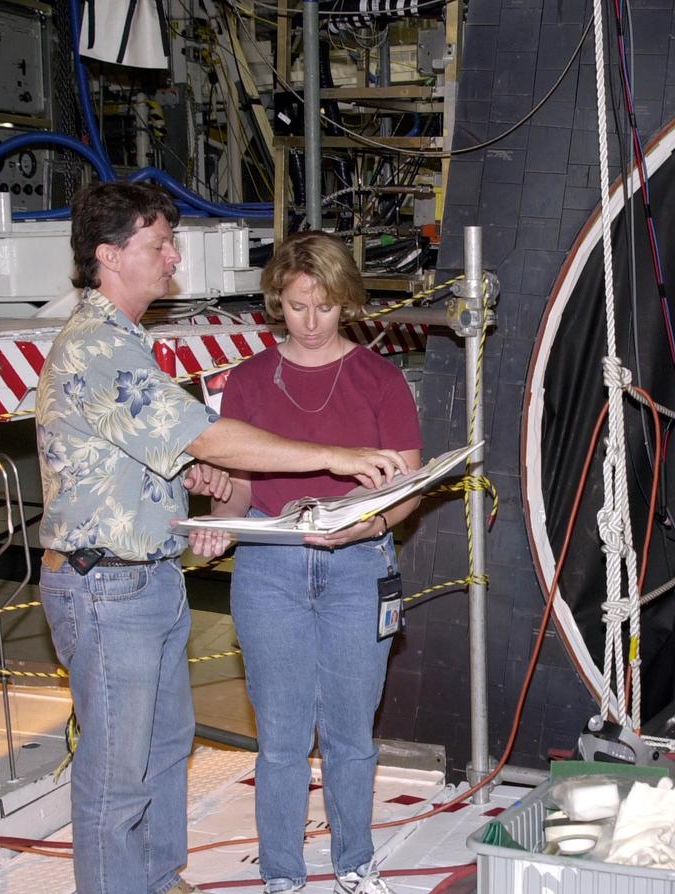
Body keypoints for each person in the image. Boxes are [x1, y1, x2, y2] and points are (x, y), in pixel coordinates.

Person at [36, 183, 409, 894]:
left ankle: (156, 877)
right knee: (117, 775)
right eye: (158, 245)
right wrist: (332, 457)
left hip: (150, 581)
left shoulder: (127, 342)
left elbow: (165, 452)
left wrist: (201, 485)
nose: (174, 257)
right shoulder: (97, 348)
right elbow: (203, 432)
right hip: (105, 587)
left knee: (167, 746)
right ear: (111, 256)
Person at [208, 231, 423, 894]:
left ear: (347, 305)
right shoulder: (244, 381)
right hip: (270, 566)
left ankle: (355, 862)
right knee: (280, 736)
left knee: (351, 732)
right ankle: (282, 876)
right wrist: (220, 522)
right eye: (297, 306)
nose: (309, 322)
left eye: (324, 308)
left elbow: (406, 491)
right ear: (278, 301)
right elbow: (239, 484)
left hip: (358, 567)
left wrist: (367, 526)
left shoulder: (379, 379)